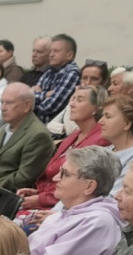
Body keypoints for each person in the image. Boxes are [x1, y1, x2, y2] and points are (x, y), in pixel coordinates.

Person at [28, 146, 122, 255]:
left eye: (64, 174)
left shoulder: (96, 223)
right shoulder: (66, 213)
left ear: (89, 186)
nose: (55, 178)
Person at [16, 85, 111, 214]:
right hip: (47, 199)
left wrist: (41, 199)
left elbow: (79, 187)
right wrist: (38, 192)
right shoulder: (73, 136)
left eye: (79, 100)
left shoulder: (100, 141)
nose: (72, 104)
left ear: (96, 108)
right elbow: (54, 177)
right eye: (72, 99)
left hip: (62, 209)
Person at [0, 83, 55, 208]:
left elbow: (23, 179)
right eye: (2, 102)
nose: (3, 108)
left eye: (9, 103)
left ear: (27, 105)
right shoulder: (5, 128)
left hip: (7, 199)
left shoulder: (38, 135)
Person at [97, 95, 133, 194]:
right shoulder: (108, 150)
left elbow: (114, 198)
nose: (100, 121)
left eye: (108, 116)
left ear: (127, 124)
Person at [46, 60, 110, 138]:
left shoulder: (108, 105)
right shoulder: (77, 96)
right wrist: (63, 128)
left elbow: (71, 131)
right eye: (84, 78)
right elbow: (49, 125)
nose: (87, 82)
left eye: (94, 79)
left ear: (104, 82)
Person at [33, 33, 81, 122]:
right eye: (50, 51)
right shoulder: (49, 72)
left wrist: (30, 104)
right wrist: (46, 95)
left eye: (56, 51)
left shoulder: (72, 73)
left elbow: (49, 107)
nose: (51, 55)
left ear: (69, 55)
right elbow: (29, 96)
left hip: (53, 132)